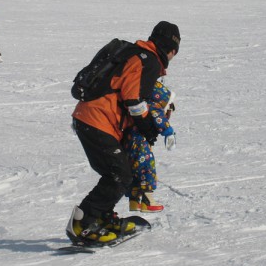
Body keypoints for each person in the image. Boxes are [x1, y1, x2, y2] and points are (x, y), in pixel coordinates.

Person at [67, 21, 181, 244]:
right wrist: (147, 126)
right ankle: (83, 224)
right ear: (172, 50)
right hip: (97, 121)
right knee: (118, 174)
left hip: (91, 119)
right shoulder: (149, 61)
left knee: (120, 173)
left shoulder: (137, 55)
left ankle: (102, 217)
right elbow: (133, 99)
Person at [124, 80, 176, 213]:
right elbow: (159, 119)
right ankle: (148, 201)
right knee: (146, 167)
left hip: (129, 142)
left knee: (134, 171)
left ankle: (134, 201)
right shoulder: (153, 105)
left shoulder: (141, 106)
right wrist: (168, 132)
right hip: (140, 142)